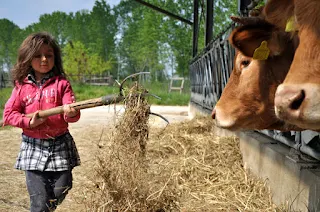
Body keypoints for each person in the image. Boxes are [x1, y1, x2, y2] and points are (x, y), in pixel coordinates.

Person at [2, 32, 81, 212]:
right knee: (39, 201)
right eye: (38, 55)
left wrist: (71, 112)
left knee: (62, 189)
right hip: (33, 148)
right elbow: (8, 115)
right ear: (28, 58)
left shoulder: (62, 84)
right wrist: (28, 123)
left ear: (55, 58)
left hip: (60, 145)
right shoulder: (21, 86)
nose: (44, 59)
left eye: (49, 55)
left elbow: (73, 114)